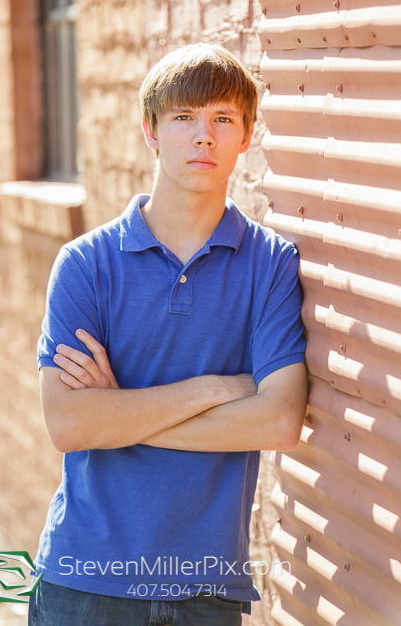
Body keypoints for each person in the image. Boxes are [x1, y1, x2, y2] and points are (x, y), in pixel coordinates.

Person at [29, 43, 308, 626]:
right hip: (87, 581)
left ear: (247, 134)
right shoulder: (86, 264)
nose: (203, 137)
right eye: (183, 117)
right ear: (152, 131)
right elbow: (70, 424)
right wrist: (218, 387)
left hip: (208, 590)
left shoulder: (271, 264)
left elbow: (279, 421)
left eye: (222, 119)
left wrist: (120, 415)